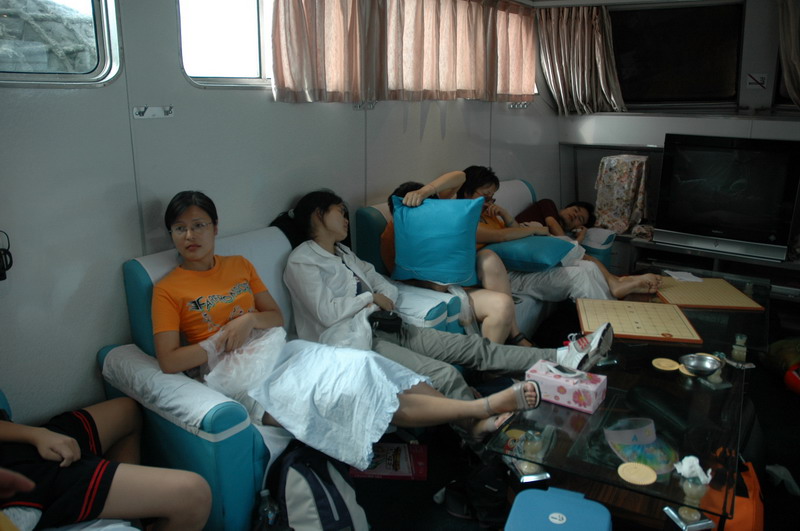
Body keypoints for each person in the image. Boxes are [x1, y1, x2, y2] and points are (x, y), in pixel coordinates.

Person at [152, 191, 542, 470]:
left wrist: (248, 320)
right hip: (237, 370)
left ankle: (523, 379)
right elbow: (169, 360)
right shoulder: (168, 289)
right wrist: (219, 342)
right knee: (369, 385)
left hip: (282, 348)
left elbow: (273, 317)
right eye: (179, 229)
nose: (190, 236)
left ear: (215, 228)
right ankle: (480, 410)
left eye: (199, 226)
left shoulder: (238, 265)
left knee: (371, 369)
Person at [274, 189, 613, 411]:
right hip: (355, 339)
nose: (346, 219)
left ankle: (562, 356)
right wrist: (369, 299)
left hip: (387, 323)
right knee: (445, 375)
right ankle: (480, 430)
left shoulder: (344, 253)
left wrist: (381, 297)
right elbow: (326, 313)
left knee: (476, 349)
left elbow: (382, 284)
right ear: (318, 215)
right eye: (339, 212)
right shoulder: (303, 261)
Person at [0, 397, 211, 530]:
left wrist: (36, 435)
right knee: (194, 495)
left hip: (17, 439)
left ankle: (130, 514)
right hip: (22, 471)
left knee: (126, 412)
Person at [458, 166, 662, 301]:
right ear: (467, 192)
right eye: (485, 196)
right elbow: (501, 237)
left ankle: (615, 303)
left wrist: (505, 214)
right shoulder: (464, 220)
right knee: (579, 277)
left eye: (492, 198)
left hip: (519, 265)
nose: (489, 203)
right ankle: (610, 317)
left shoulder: (490, 215)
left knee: (588, 267)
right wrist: (535, 229)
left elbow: (512, 231)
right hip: (502, 276)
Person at [380, 172, 535, 346]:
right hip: (441, 289)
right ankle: (491, 360)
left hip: (461, 280)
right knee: (502, 304)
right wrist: (436, 284)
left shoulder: (439, 217)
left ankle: (514, 336)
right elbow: (403, 279)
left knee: (488, 257)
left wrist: (425, 191)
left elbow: (460, 177)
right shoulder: (391, 237)